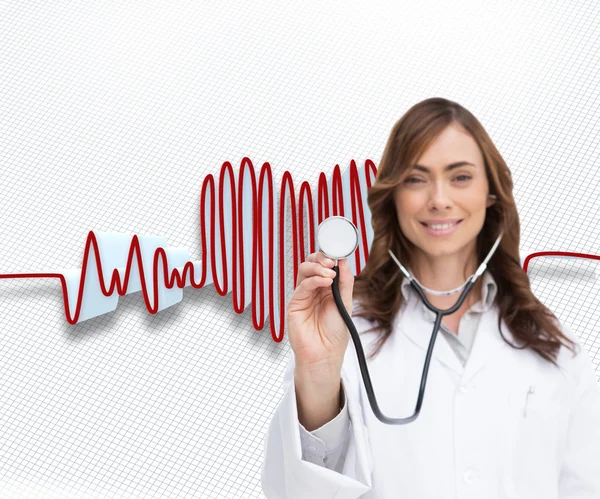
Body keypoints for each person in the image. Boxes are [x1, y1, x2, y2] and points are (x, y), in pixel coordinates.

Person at [260, 97, 600, 498]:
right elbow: (294, 493)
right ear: (394, 197)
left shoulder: (556, 349)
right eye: (416, 179)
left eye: (460, 177)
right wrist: (318, 371)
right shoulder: (347, 329)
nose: (439, 199)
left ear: (492, 194)